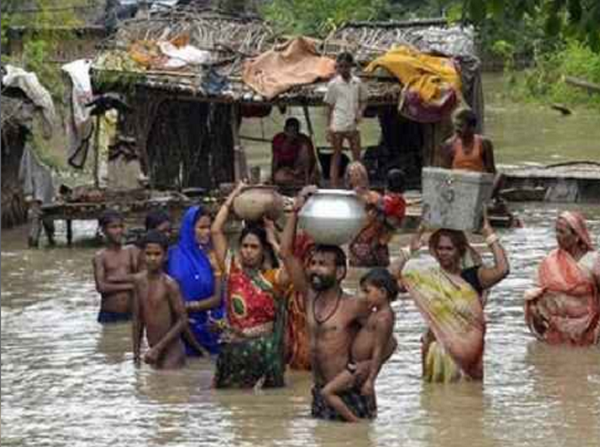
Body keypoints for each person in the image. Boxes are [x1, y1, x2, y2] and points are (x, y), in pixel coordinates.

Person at [280, 187, 376, 421]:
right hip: (320, 394)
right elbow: (285, 252)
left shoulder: (354, 306)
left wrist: (364, 372)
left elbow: (389, 342)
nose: (314, 269)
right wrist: (295, 210)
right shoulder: (310, 296)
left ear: (341, 272)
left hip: (349, 396)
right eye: (312, 262)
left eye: (323, 264)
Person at [396, 213, 509, 382]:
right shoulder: (426, 277)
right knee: (436, 402)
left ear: (460, 251)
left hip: (469, 356)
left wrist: (488, 233)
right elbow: (386, 280)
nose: (444, 253)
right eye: (440, 248)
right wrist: (409, 250)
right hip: (436, 354)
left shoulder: (473, 277)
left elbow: (503, 269)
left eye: (449, 249)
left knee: (468, 401)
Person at [211, 183, 290, 388]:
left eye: (254, 247)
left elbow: (291, 267)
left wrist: (273, 240)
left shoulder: (272, 278)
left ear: (263, 251)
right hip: (233, 351)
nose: (248, 251)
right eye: (245, 246)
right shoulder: (232, 271)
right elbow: (216, 230)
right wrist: (234, 195)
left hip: (264, 352)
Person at [321, 268, 398, 422]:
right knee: (370, 404)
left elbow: (378, 350)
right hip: (359, 365)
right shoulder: (377, 313)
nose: (364, 296)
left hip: (358, 367)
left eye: (367, 291)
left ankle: (355, 423)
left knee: (327, 392)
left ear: (382, 292)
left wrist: (371, 379)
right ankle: (372, 420)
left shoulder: (384, 318)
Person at [132, 231, 206, 369]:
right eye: (148, 254)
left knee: (170, 385)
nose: (152, 258)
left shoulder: (170, 284)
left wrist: (158, 348)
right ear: (142, 255)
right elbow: (137, 320)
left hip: (172, 351)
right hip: (153, 351)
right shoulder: (138, 281)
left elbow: (182, 320)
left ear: (165, 256)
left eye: (157, 254)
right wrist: (136, 354)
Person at [524, 211, 600, 346]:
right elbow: (538, 290)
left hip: (589, 330)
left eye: (562, 232)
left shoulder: (593, 261)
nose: (557, 236)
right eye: (556, 231)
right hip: (556, 330)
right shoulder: (549, 261)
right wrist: (534, 309)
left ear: (577, 236)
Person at [167, 206, 225, 356]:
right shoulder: (173, 255)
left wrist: (191, 306)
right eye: (201, 227)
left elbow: (218, 298)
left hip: (211, 328)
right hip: (182, 329)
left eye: (208, 227)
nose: (206, 232)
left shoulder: (212, 256)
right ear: (189, 228)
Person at [324, 52, 368, 188]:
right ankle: (334, 186)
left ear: (350, 66)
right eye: (340, 67)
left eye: (345, 66)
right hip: (338, 123)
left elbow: (364, 100)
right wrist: (328, 127)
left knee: (357, 158)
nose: (343, 69)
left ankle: (358, 185)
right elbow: (329, 106)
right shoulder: (334, 84)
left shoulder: (357, 82)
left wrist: (360, 112)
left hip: (353, 123)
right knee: (336, 156)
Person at [93, 209, 139, 323]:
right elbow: (101, 287)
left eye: (120, 226)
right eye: (113, 227)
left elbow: (141, 277)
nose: (119, 231)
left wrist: (113, 279)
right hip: (109, 313)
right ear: (103, 230)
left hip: (131, 312)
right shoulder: (100, 257)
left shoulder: (131, 251)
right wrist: (131, 286)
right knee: (111, 339)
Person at [346, 162, 392, 267]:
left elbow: (387, 219)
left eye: (362, 174)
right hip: (358, 246)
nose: (360, 177)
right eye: (356, 174)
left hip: (377, 245)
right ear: (349, 179)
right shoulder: (348, 200)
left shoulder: (375, 197)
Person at [271, 117, 318, 187]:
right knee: (279, 177)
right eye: (290, 131)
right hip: (285, 170)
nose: (292, 134)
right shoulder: (278, 139)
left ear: (298, 131)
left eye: (294, 131)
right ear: (285, 130)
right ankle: (299, 182)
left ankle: (305, 181)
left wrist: (302, 171)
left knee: (304, 148)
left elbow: (312, 160)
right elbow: (275, 159)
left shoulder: (304, 140)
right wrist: (273, 176)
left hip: (301, 170)